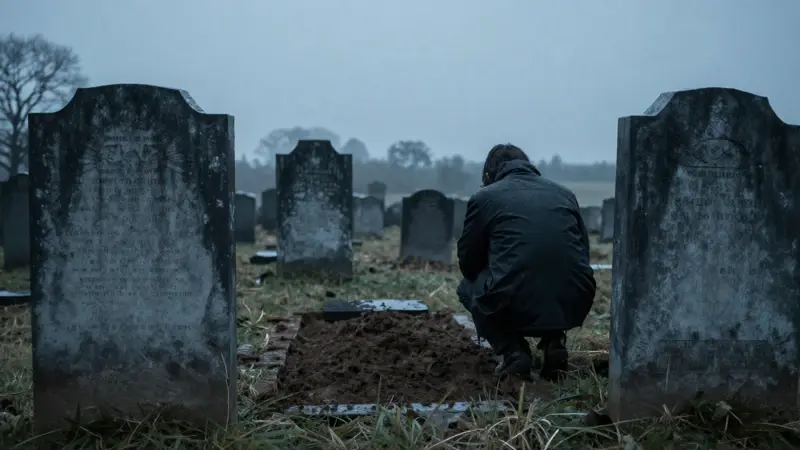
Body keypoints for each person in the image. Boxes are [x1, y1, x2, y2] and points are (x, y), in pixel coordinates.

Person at [456, 144, 596, 381]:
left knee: (468, 288)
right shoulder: (564, 194)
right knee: (553, 274)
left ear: (489, 174)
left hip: (512, 295)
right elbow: (582, 250)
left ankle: (513, 352)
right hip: (575, 294)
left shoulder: (485, 197)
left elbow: (468, 262)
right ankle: (554, 341)